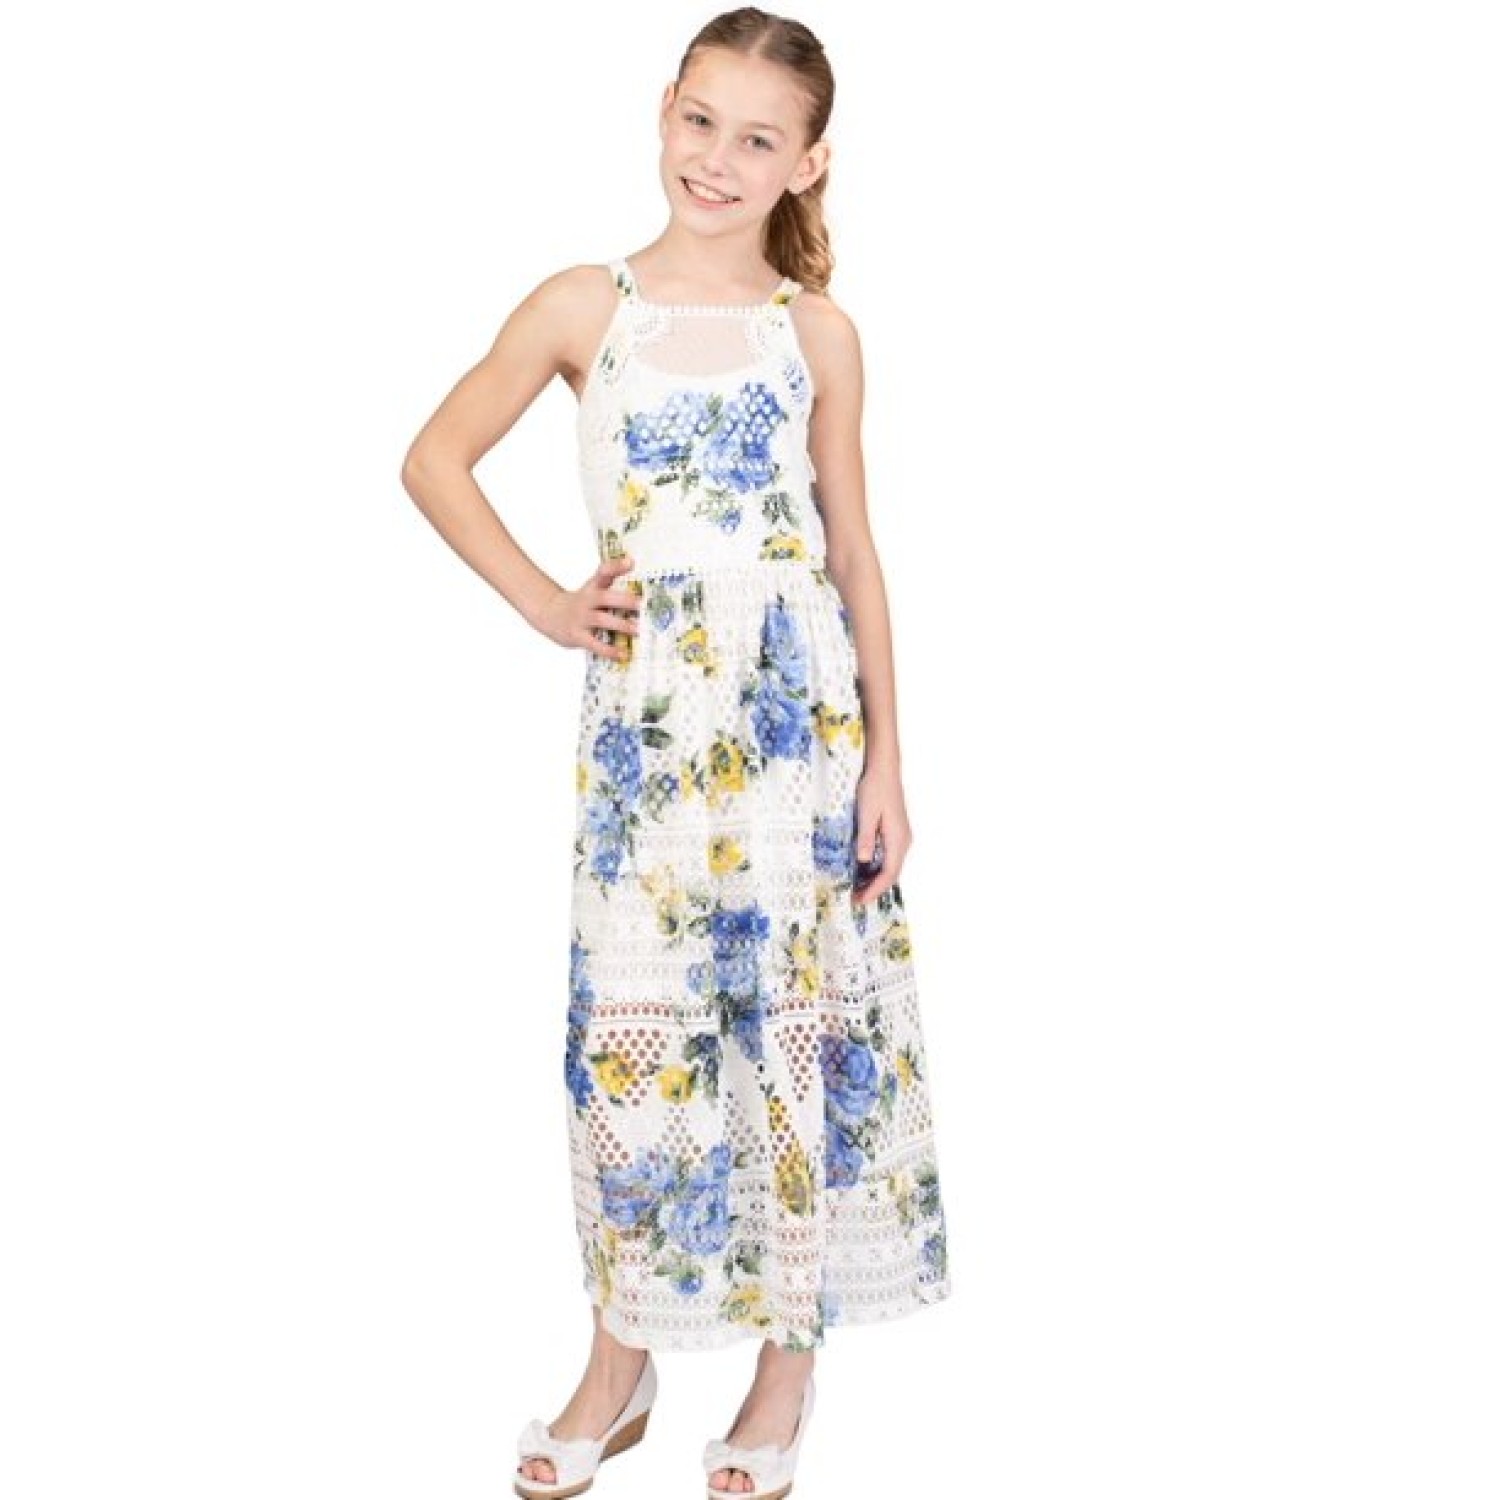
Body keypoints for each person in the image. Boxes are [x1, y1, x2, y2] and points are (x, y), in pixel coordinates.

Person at [401, 8, 951, 1496]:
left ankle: (785, 1372)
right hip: (650, 744)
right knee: (631, 1047)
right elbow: (434, 459)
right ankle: (621, 1358)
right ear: (665, 111)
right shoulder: (589, 305)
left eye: (758, 139)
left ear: (808, 163)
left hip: (798, 736)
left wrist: (889, 764)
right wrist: (547, 603)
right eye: (701, 121)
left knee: (793, 1034)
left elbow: (853, 551)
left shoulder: (814, 332)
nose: (718, 158)